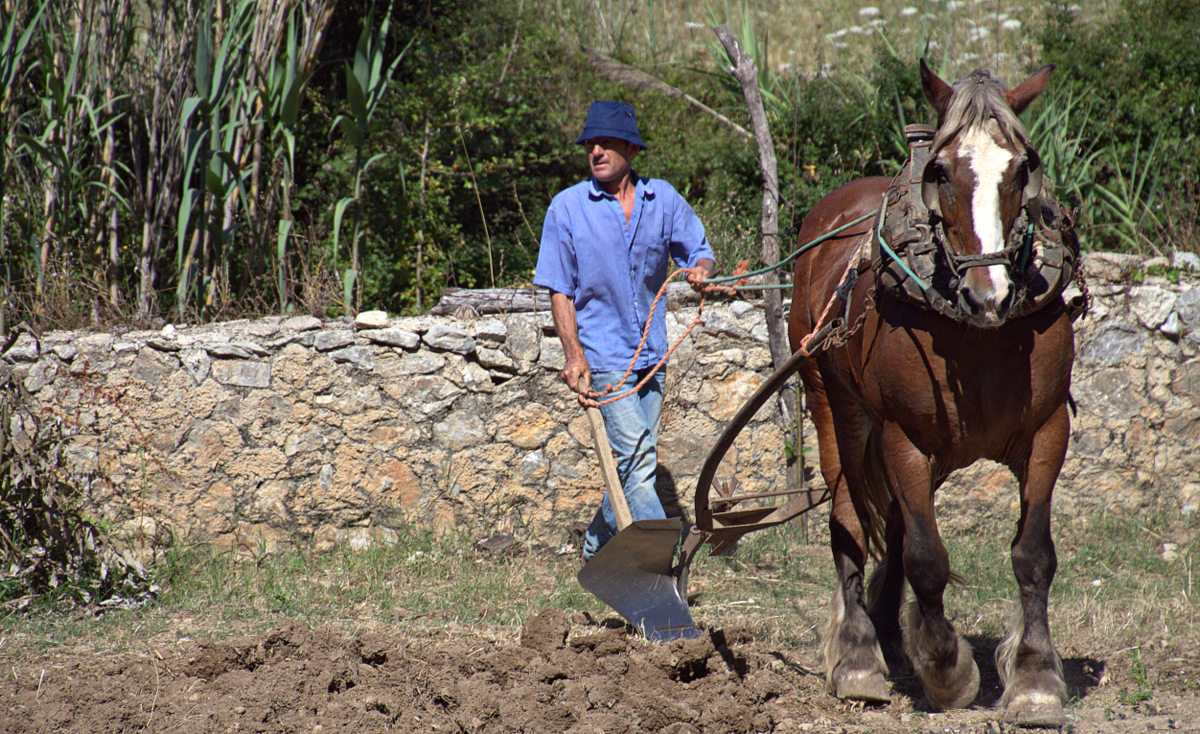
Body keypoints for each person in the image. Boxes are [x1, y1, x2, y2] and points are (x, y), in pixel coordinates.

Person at [534, 100, 716, 562]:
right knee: (638, 464)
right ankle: (665, 563)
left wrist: (699, 269)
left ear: (631, 149)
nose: (595, 151)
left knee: (634, 465)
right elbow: (559, 290)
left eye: (606, 143)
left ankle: (595, 549)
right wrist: (574, 356)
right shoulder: (567, 208)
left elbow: (699, 250)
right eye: (590, 144)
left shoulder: (665, 200)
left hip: (653, 352)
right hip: (605, 356)